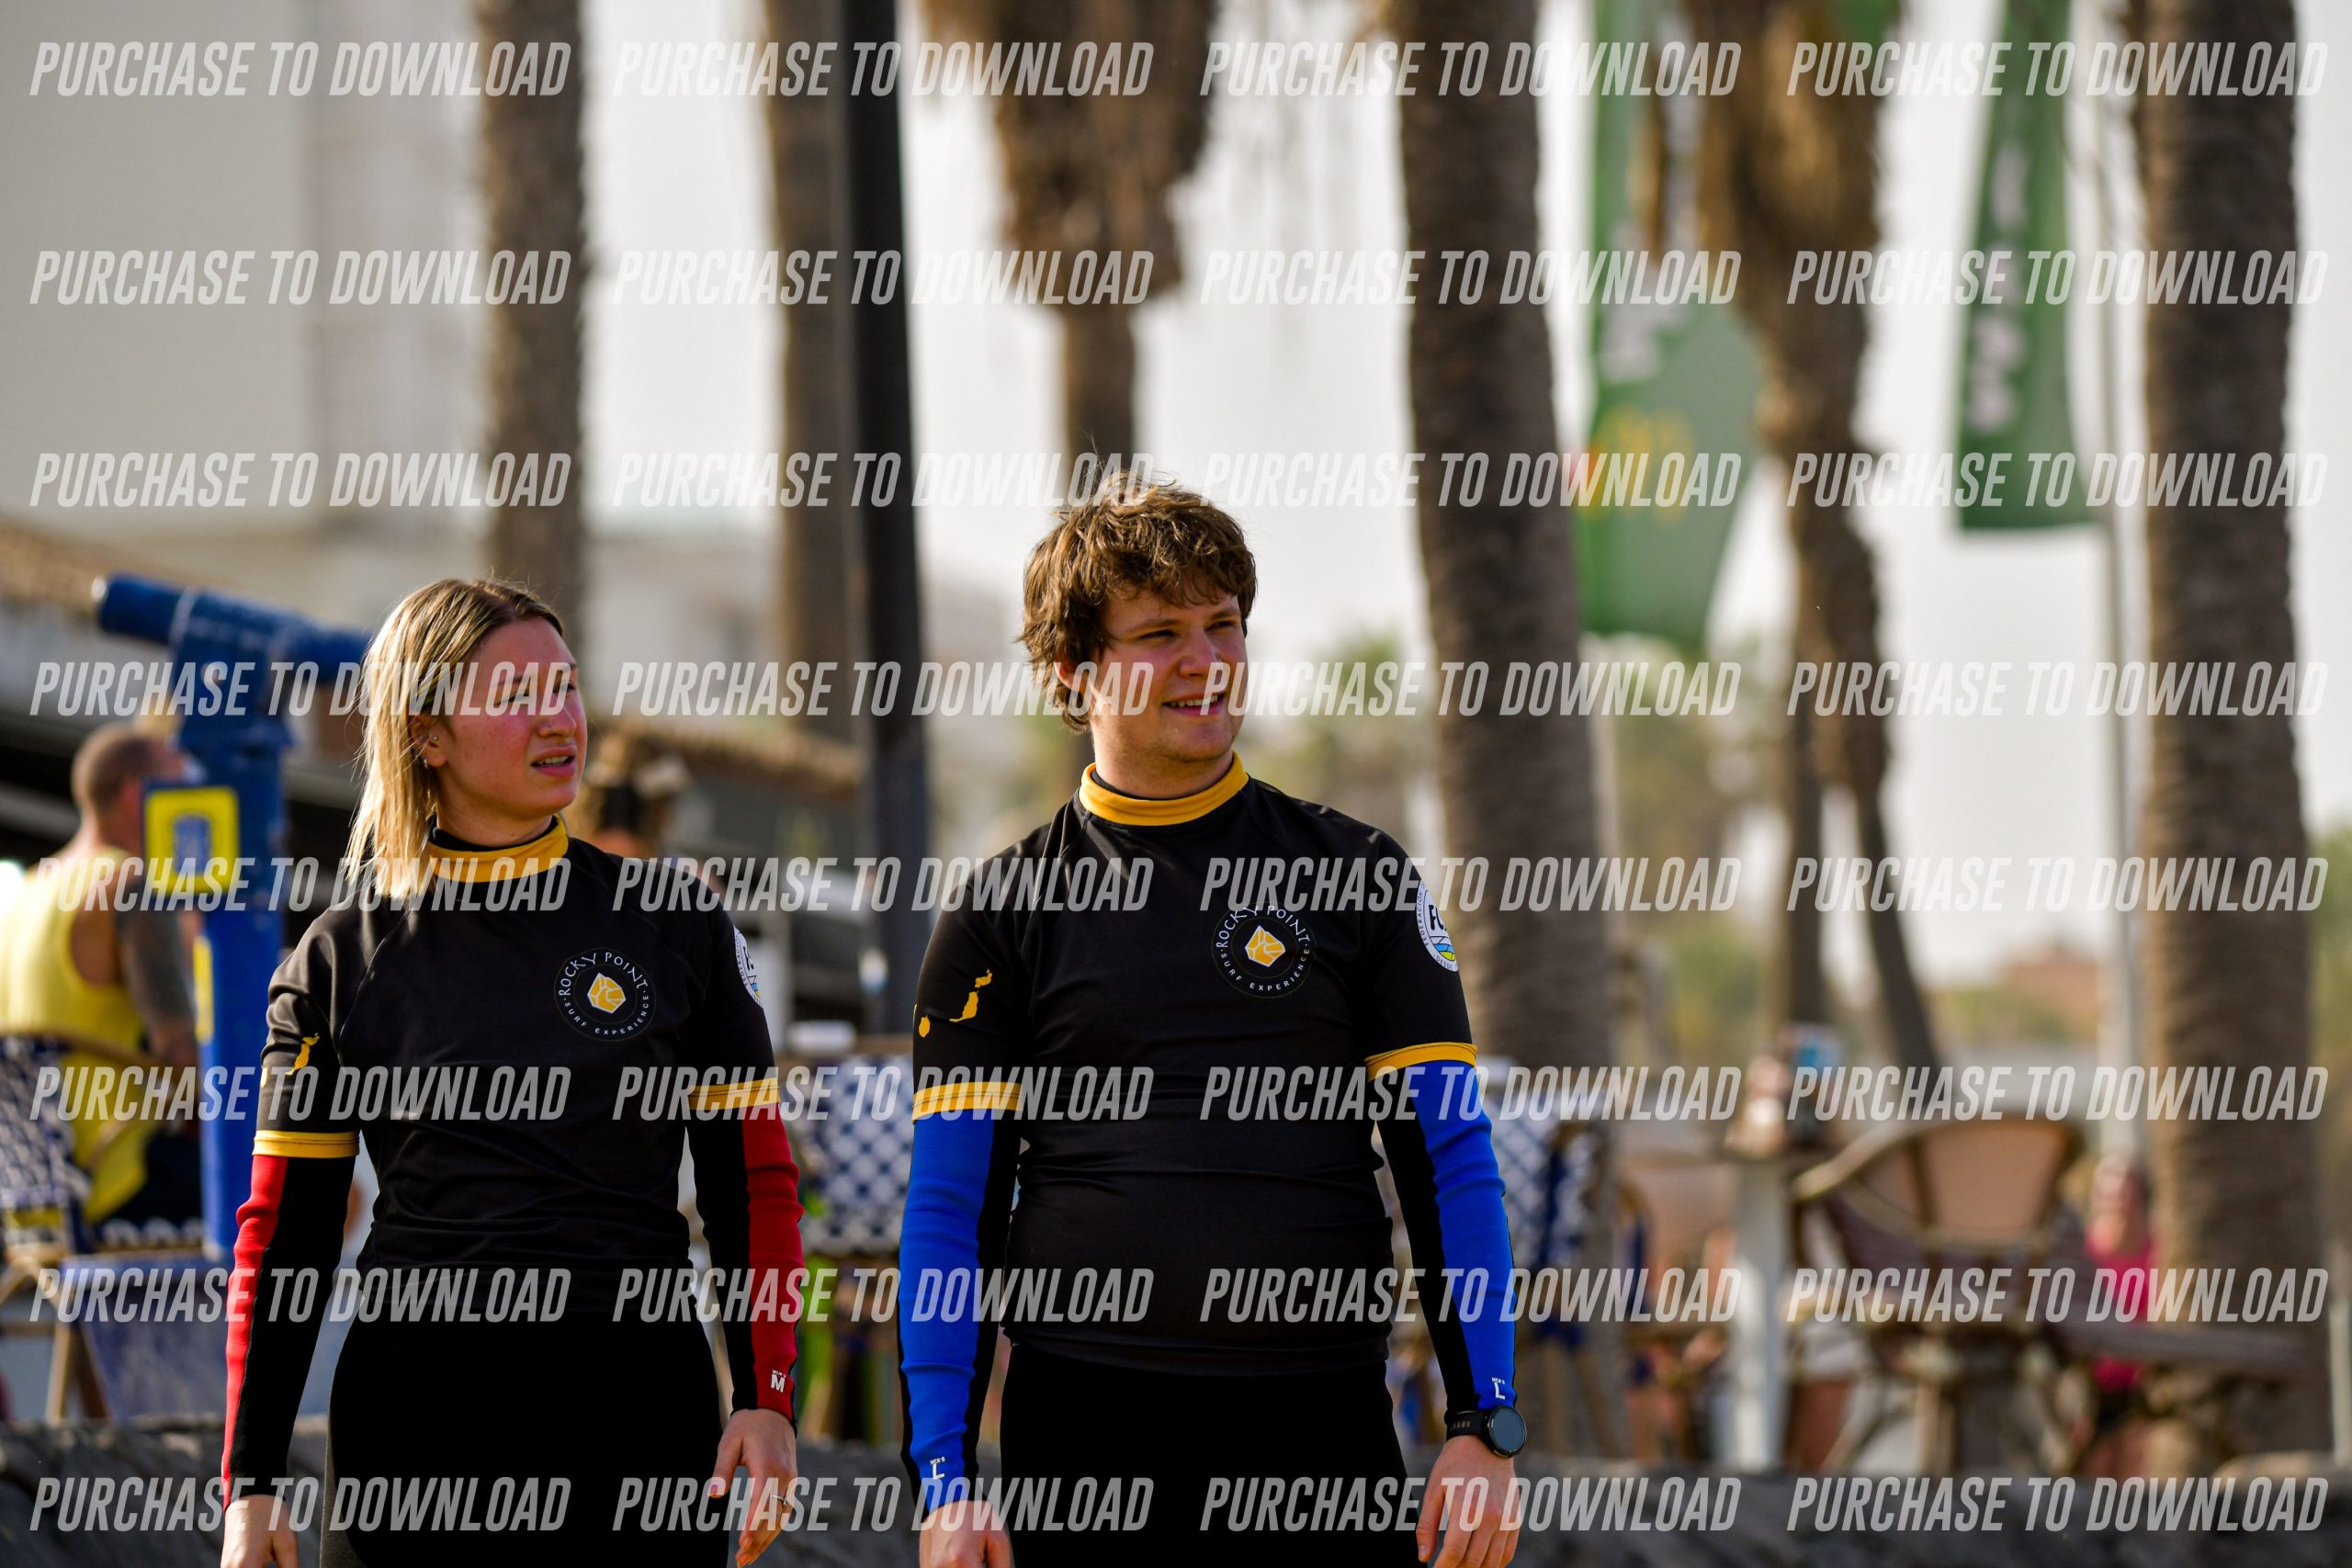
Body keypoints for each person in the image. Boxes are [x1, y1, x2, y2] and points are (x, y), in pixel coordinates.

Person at [899, 478, 1522, 1567]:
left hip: (1316, 1427)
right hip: (1087, 1430)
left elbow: (1448, 1161)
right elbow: (954, 1211)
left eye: (1223, 625)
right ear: (1073, 670)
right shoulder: (1001, 911)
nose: (1206, 660)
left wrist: (1485, 1423)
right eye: (1160, 635)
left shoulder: (1358, 875)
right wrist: (943, 1480)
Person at [220, 580, 805, 1568]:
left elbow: (752, 1180)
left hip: (638, 1427)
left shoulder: (676, 925)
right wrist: (251, 1479)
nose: (559, 717)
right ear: (427, 734)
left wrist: (766, 1395)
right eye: (517, 694)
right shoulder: (339, 957)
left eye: (566, 686)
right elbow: (287, 1235)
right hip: (414, 1437)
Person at [0, 722, 203, 1245]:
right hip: (113, 1185)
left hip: (27, 1200)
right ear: (138, 795)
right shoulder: (129, 882)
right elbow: (184, 1064)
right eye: (179, 787)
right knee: (316, 1191)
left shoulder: (26, 891)